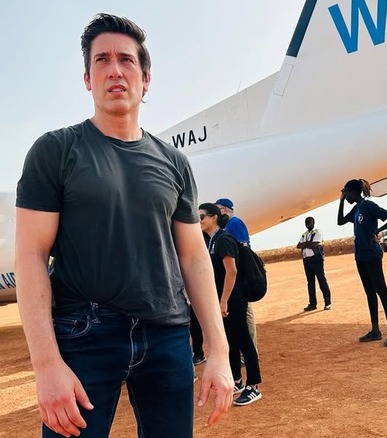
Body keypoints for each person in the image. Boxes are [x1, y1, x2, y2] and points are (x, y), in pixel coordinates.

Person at [14, 14, 233, 437]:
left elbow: (193, 258)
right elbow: (30, 256)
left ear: (145, 79)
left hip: (167, 335)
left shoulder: (174, 162)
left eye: (126, 60)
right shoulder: (56, 150)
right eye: (102, 60)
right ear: (87, 78)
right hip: (84, 334)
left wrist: (218, 350)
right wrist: (46, 364)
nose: (114, 70)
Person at [199, 203, 262, 406]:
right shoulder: (211, 240)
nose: (199, 221)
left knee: (243, 341)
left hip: (233, 299)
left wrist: (224, 300)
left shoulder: (224, 239)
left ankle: (254, 386)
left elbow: (231, 271)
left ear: (214, 217)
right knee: (230, 342)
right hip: (223, 300)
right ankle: (237, 381)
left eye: (202, 217)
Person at [337, 179, 387, 347]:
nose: (346, 197)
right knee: (370, 292)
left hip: (372, 255)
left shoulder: (369, 206)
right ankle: (375, 330)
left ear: (353, 192)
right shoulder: (356, 209)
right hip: (360, 256)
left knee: (381, 291)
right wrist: (341, 201)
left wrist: (376, 231)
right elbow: (340, 221)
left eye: (346, 194)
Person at [215, 198, 259, 352]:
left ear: (226, 210)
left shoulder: (234, 223)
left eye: (218, 208)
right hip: (235, 276)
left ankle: (250, 349)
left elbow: (243, 248)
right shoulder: (227, 225)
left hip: (239, 276)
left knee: (245, 313)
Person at [297, 217, 332, 311]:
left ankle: (327, 303)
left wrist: (305, 244)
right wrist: (308, 243)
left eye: (309, 222)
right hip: (307, 260)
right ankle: (312, 304)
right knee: (310, 283)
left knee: (321, 281)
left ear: (313, 223)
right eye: (306, 222)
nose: (307, 224)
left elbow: (315, 245)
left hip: (316, 259)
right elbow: (298, 245)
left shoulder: (318, 232)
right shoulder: (304, 234)